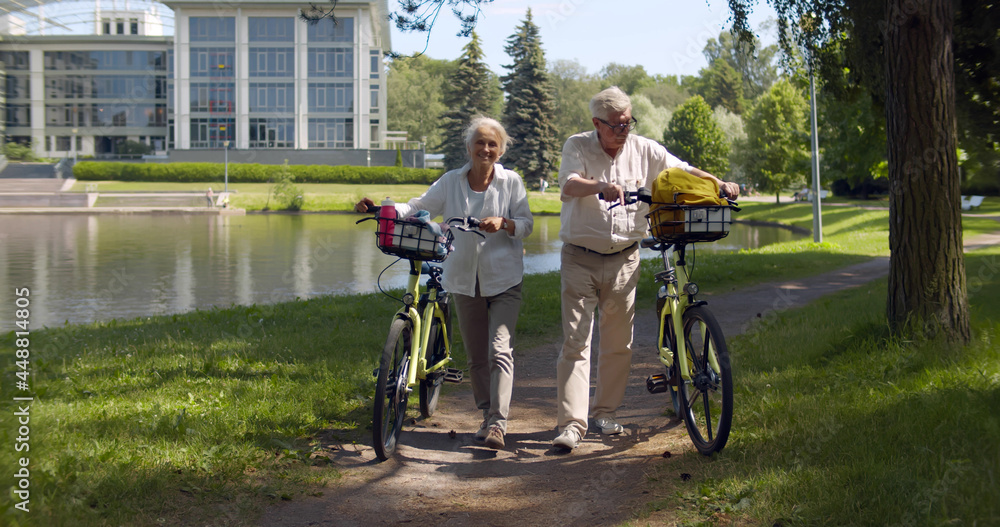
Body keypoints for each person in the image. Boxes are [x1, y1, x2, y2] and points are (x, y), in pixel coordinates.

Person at [552, 87, 739, 451]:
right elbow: (568, 184)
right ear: (597, 124)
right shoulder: (577, 146)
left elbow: (683, 170)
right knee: (576, 342)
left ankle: (604, 413)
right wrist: (599, 187)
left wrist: (719, 183)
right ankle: (572, 425)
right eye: (617, 126)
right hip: (580, 256)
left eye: (628, 123)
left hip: (625, 256)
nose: (624, 131)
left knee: (619, 342)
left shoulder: (644, 148)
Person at [356, 116, 533, 450]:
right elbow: (419, 207)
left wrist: (506, 223)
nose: (485, 149)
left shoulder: (511, 182)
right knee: (477, 356)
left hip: (505, 279)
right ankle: (486, 415)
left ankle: (498, 424)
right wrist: (383, 208)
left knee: (499, 350)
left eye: (492, 144)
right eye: (479, 142)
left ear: (501, 149)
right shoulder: (452, 181)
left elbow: (527, 224)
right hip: (464, 279)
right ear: (468, 147)